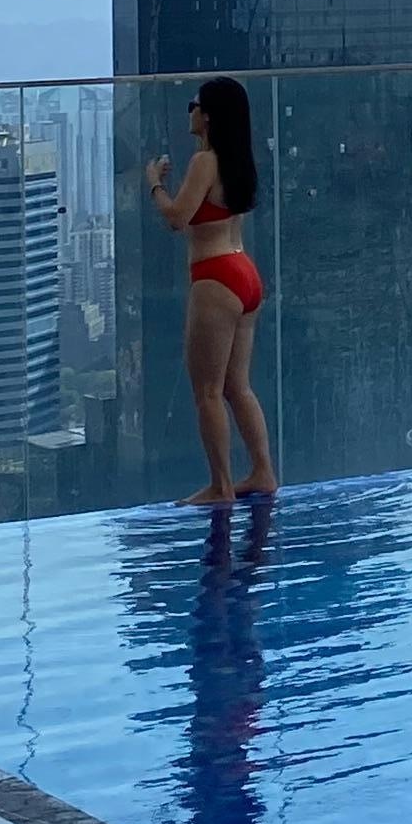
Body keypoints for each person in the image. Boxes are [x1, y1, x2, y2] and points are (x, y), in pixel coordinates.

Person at [146, 77, 277, 510]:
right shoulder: (238, 160)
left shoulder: (205, 161)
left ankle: (221, 485)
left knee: (206, 391)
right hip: (244, 271)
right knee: (238, 386)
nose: (191, 111)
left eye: (195, 105)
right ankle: (262, 471)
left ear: (209, 117)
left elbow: (177, 218)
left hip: (215, 275)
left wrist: (154, 184)